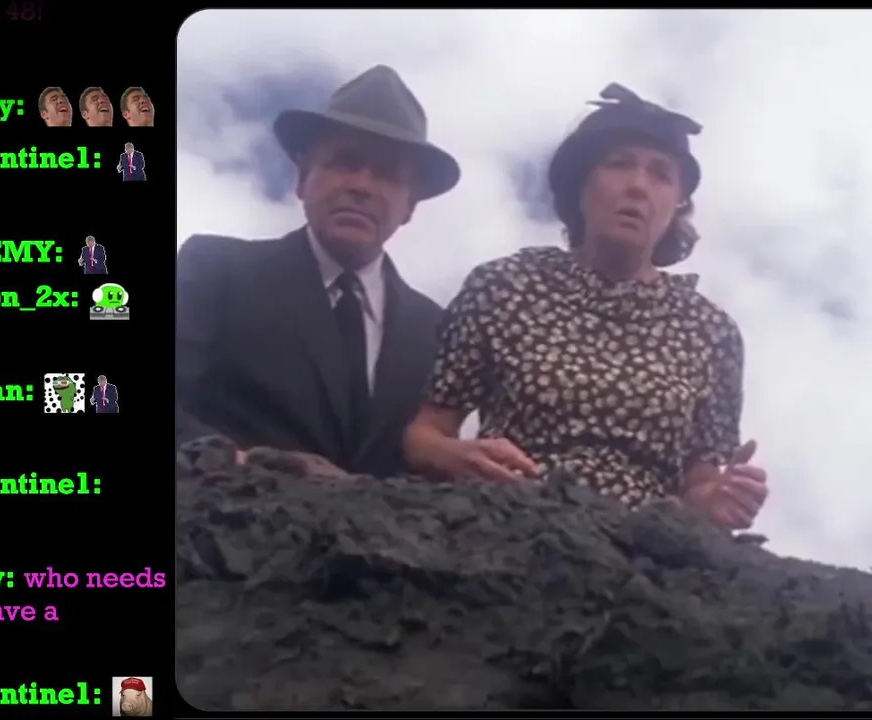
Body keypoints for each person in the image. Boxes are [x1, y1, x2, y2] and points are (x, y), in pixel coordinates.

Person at [402, 84, 770, 530]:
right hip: (510, 528)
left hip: (649, 551)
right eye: (619, 164)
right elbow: (426, 434)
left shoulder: (712, 332)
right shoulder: (505, 285)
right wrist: (458, 456)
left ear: (677, 206)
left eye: (661, 175)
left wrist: (717, 498)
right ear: (581, 185)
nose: (638, 186)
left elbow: (699, 483)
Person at [176, 66, 459, 478]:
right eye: (345, 162)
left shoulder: (435, 330)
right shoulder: (217, 270)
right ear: (302, 179)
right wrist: (244, 465)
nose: (362, 185)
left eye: (387, 173)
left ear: (410, 207)